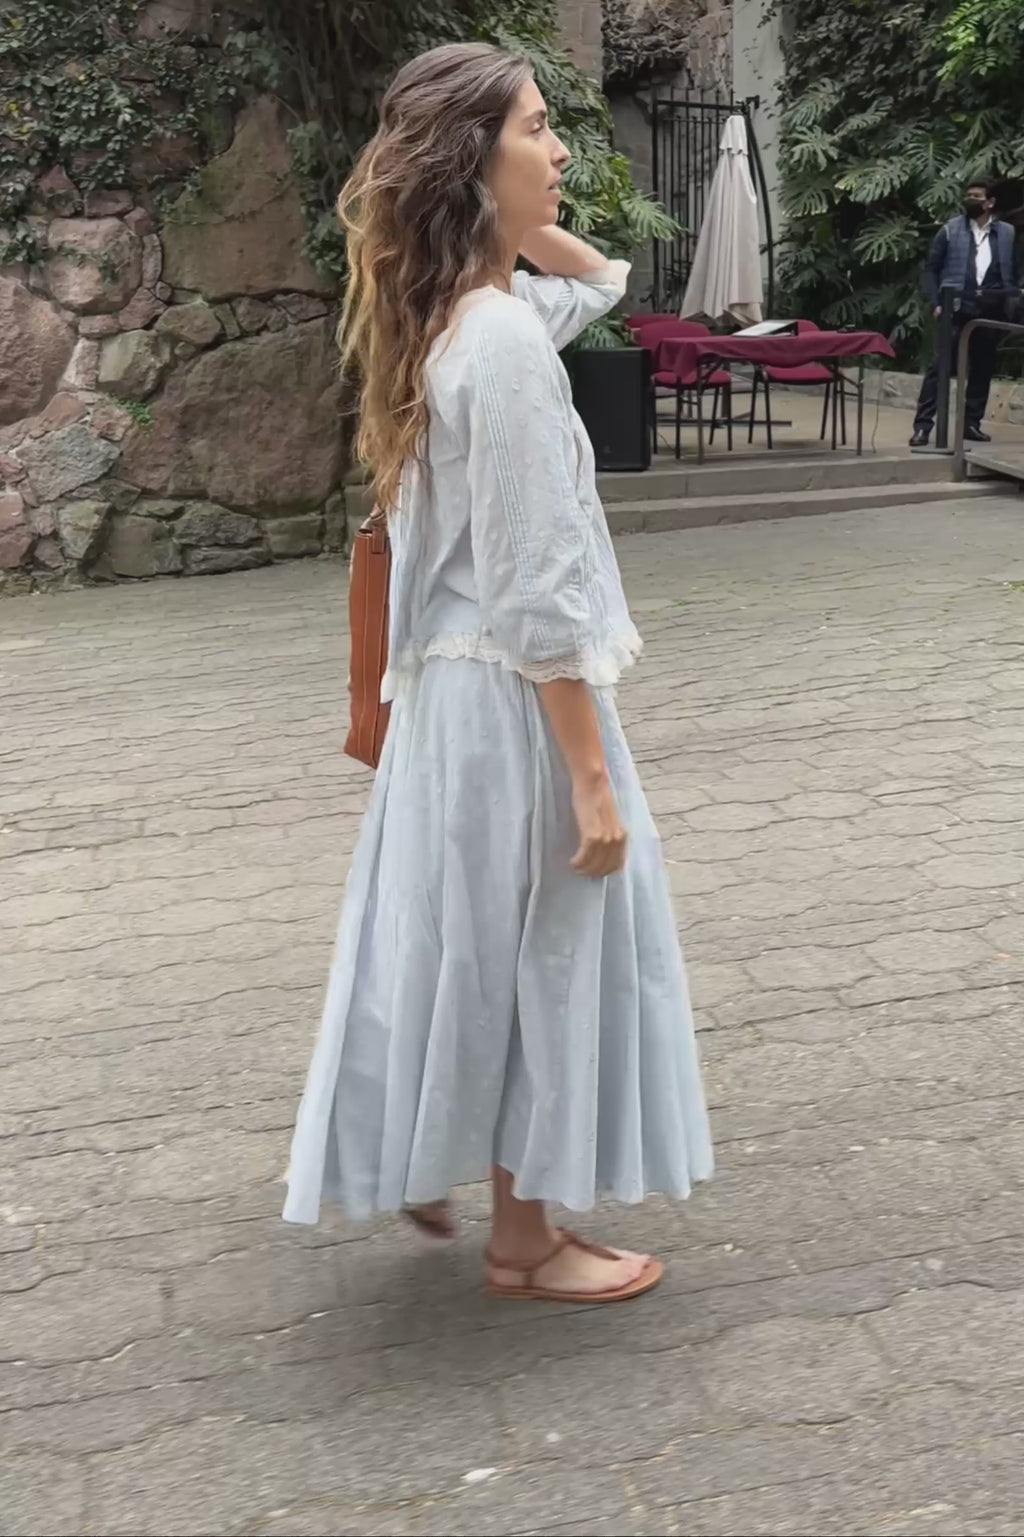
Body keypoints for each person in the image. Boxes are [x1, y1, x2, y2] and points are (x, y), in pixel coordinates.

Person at [283, 42, 712, 1304]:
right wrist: (589, 776)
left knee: (454, 942)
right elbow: (539, 590)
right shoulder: (505, 344)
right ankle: (526, 1237)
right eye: (535, 129)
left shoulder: (457, 323)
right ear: (471, 163)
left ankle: (436, 1147)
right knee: (546, 950)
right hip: (521, 706)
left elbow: (605, 279)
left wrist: (517, 226)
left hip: (450, 708)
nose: (564, 147)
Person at [910, 175, 1019, 447]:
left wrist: (1012, 299)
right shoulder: (950, 229)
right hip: (955, 306)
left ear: (990, 203)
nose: (970, 200)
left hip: (991, 308)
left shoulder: (1006, 232)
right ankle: (923, 426)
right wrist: (936, 301)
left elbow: (1013, 269)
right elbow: (932, 269)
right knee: (940, 367)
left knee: (982, 368)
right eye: (968, 195)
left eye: (977, 197)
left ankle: (971, 423)